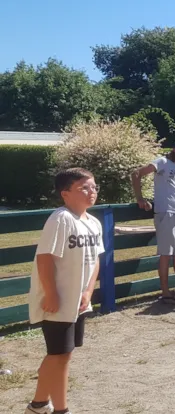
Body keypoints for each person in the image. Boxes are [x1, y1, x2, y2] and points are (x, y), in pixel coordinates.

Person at [25, 168, 102, 414]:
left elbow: (96, 260)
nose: (92, 192)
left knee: (62, 355)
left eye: (94, 187)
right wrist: (51, 294)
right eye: (84, 188)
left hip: (78, 302)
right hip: (57, 301)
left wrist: (88, 292)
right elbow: (45, 258)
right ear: (65, 194)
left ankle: (37, 406)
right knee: (58, 355)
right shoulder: (61, 218)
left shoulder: (93, 222)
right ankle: (60, 410)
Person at [131, 139, 175, 303]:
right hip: (165, 213)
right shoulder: (162, 162)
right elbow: (136, 174)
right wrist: (140, 199)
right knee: (166, 254)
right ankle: (165, 293)